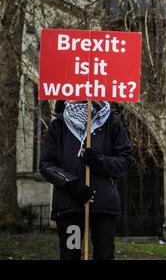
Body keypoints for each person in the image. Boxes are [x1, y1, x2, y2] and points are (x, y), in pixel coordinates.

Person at [39, 100, 134, 260]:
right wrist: (72, 185)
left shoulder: (111, 122)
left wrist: (99, 161)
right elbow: (46, 165)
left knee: (104, 255)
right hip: (70, 207)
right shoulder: (58, 126)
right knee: (71, 254)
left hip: (103, 205)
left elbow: (125, 160)